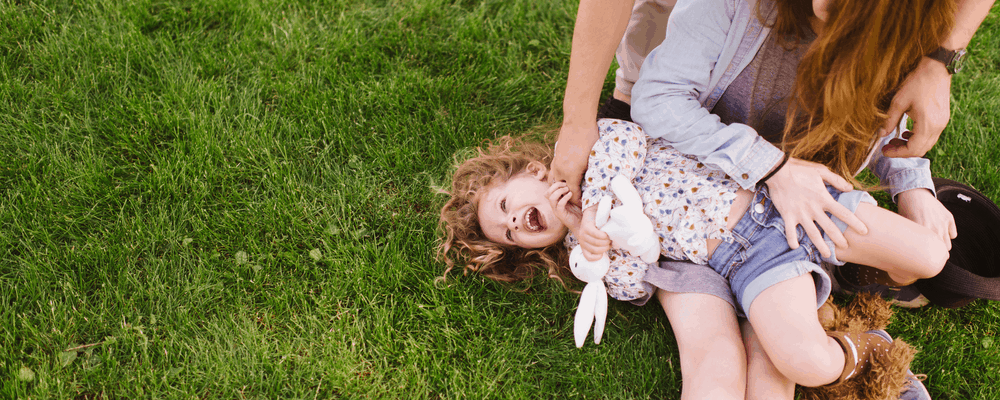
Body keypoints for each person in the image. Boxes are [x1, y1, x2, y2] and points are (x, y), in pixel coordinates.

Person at [438, 117, 947, 398]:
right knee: (805, 362)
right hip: (753, 259)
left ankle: (853, 270)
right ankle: (869, 352)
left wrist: (591, 204)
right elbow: (638, 281)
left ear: (532, 169)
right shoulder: (583, 254)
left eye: (506, 204)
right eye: (508, 233)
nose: (513, 222)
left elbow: (628, 137)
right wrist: (587, 236)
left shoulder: (591, 149)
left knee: (929, 259)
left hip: (781, 198)